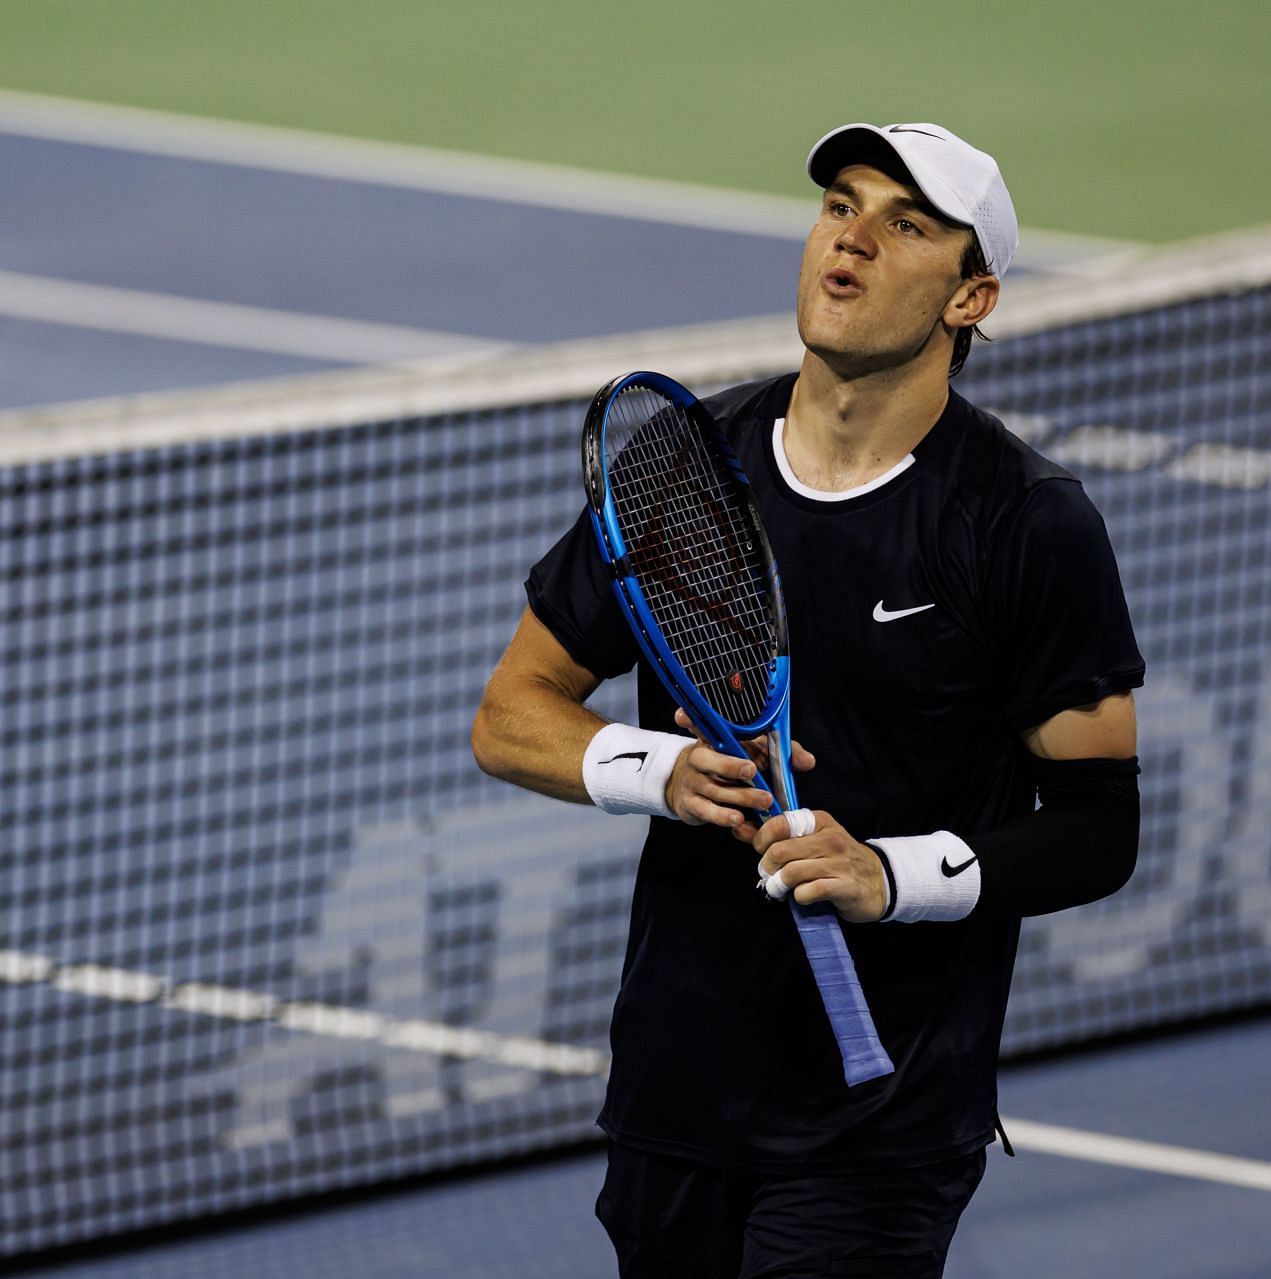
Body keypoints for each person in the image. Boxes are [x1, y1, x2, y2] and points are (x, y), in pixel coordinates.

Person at [471, 121, 1144, 1279]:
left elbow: (1098, 829)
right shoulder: (690, 465)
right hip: (675, 1092)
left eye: (906, 224)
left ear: (971, 297)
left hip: (879, 1124)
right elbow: (511, 712)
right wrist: (658, 772)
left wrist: (894, 876)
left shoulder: (1026, 523)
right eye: (841, 204)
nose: (853, 240)